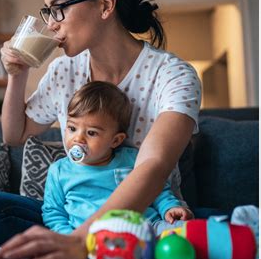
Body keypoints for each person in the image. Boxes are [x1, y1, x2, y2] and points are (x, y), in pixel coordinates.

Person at [0, 0, 202, 259]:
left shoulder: (173, 75)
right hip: (72, 219)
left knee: (207, 233)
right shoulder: (63, 71)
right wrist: (18, 74)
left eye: (60, 8)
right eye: (48, 12)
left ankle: (84, 249)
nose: (52, 24)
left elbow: (152, 167)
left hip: (146, 216)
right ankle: (70, 247)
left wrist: (82, 240)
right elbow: (15, 135)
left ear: (105, 4)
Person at [42, 81, 193, 237]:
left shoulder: (132, 158)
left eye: (92, 133)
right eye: (72, 128)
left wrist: (169, 207)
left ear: (116, 140)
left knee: (187, 231)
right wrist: (68, 238)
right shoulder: (59, 171)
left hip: (146, 228)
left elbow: (156, 189)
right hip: (91, 238)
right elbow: (53, 213)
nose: (78, 138)